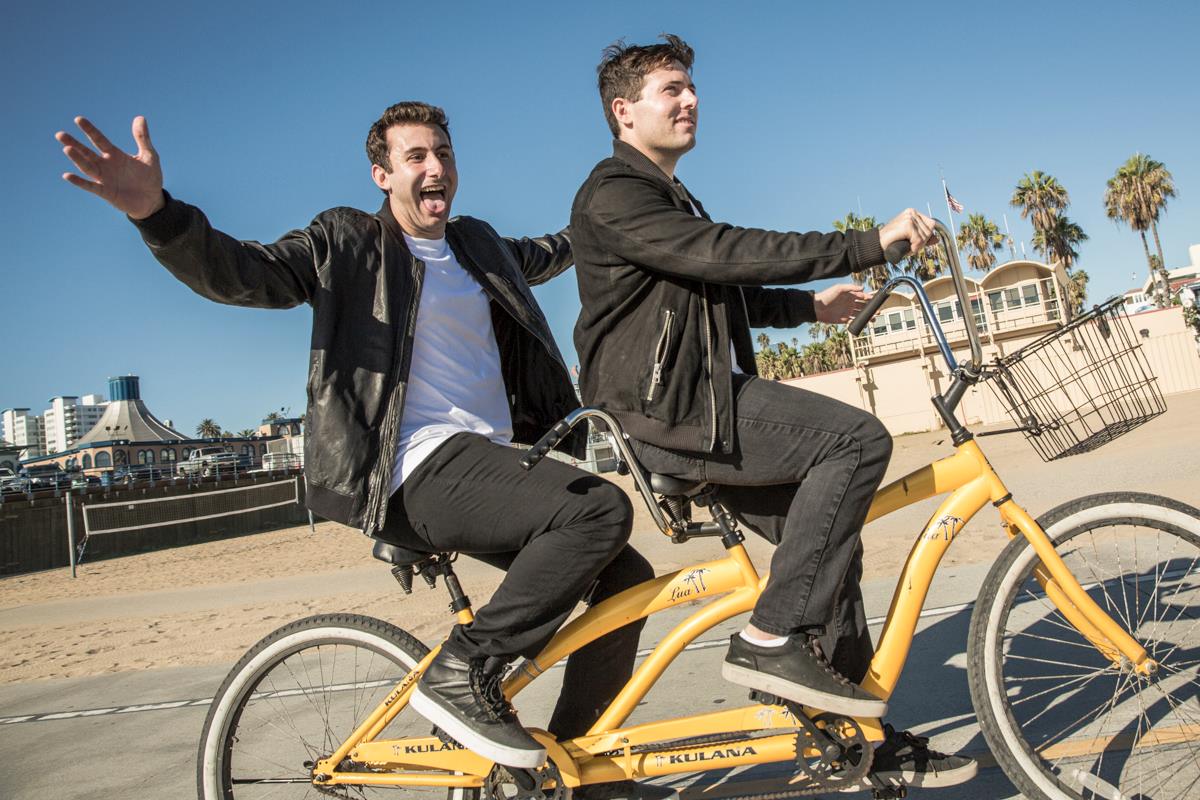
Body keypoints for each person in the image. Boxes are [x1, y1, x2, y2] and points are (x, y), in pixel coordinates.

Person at [55, 104, 672, 799]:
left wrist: (621, 214)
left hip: (483, 464)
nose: (434, 167)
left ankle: (580, 772)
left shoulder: (480, 246)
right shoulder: (346, 243)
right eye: (415, 157)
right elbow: (244, 273)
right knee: (596, 511)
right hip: (408, 465)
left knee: (627, 579)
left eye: (442, 153)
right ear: (382, 174)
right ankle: (461, 674)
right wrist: (157, 214)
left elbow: (559, 249)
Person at [569, 36, 975, 788]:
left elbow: (721, 286)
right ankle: (769, 638)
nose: (690, 100)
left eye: (691, 87)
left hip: (699, 406)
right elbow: (724, 253)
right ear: (624, 112)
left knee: (827, 540)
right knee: (855, 442)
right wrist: (863, 245)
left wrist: (809, 305)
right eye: (671, 90)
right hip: (674, 412)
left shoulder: (666, 197)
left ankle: (852, 735)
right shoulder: (615, 194)